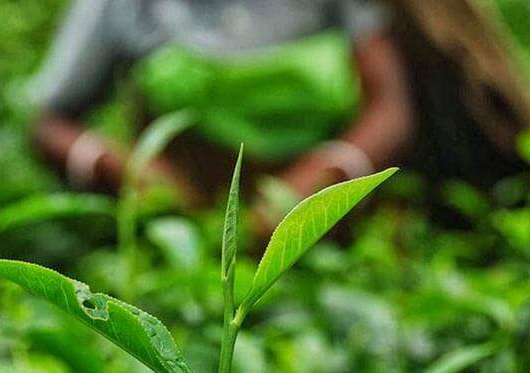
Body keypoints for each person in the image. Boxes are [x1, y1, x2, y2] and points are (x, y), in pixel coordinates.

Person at [32, 0, 415, 232]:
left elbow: (391, 106)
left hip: (328, 236)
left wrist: (323, 182)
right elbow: (47, 122)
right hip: (181, 243)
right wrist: (125, 170)